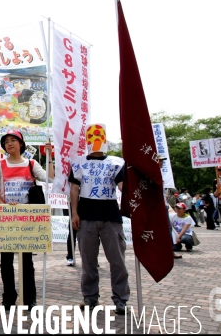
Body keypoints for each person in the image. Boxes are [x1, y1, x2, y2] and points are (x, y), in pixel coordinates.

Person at [0, 130, 53, 310]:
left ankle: (29, 298)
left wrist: (48, 157)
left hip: (27, 220)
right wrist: (5, 206)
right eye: (6, 141)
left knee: (26, 260)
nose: (9, 144)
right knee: (6, 261)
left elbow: (49, 178)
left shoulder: (31, 164)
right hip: (7, 219)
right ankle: (8, 297)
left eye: (13, 140)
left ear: (21, 144)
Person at [70, 123, 129, 315]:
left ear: (104, 138)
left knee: (117, 261)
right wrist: (75, 213)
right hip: (86, 217)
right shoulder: (78, 162)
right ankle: (90, 298)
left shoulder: (117, 162)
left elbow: (121, 185)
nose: (95, 140)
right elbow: (74, 189)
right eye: (92, 136)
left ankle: (120, 299)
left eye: (99, 135)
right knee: (88, 262)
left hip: (111, 217)